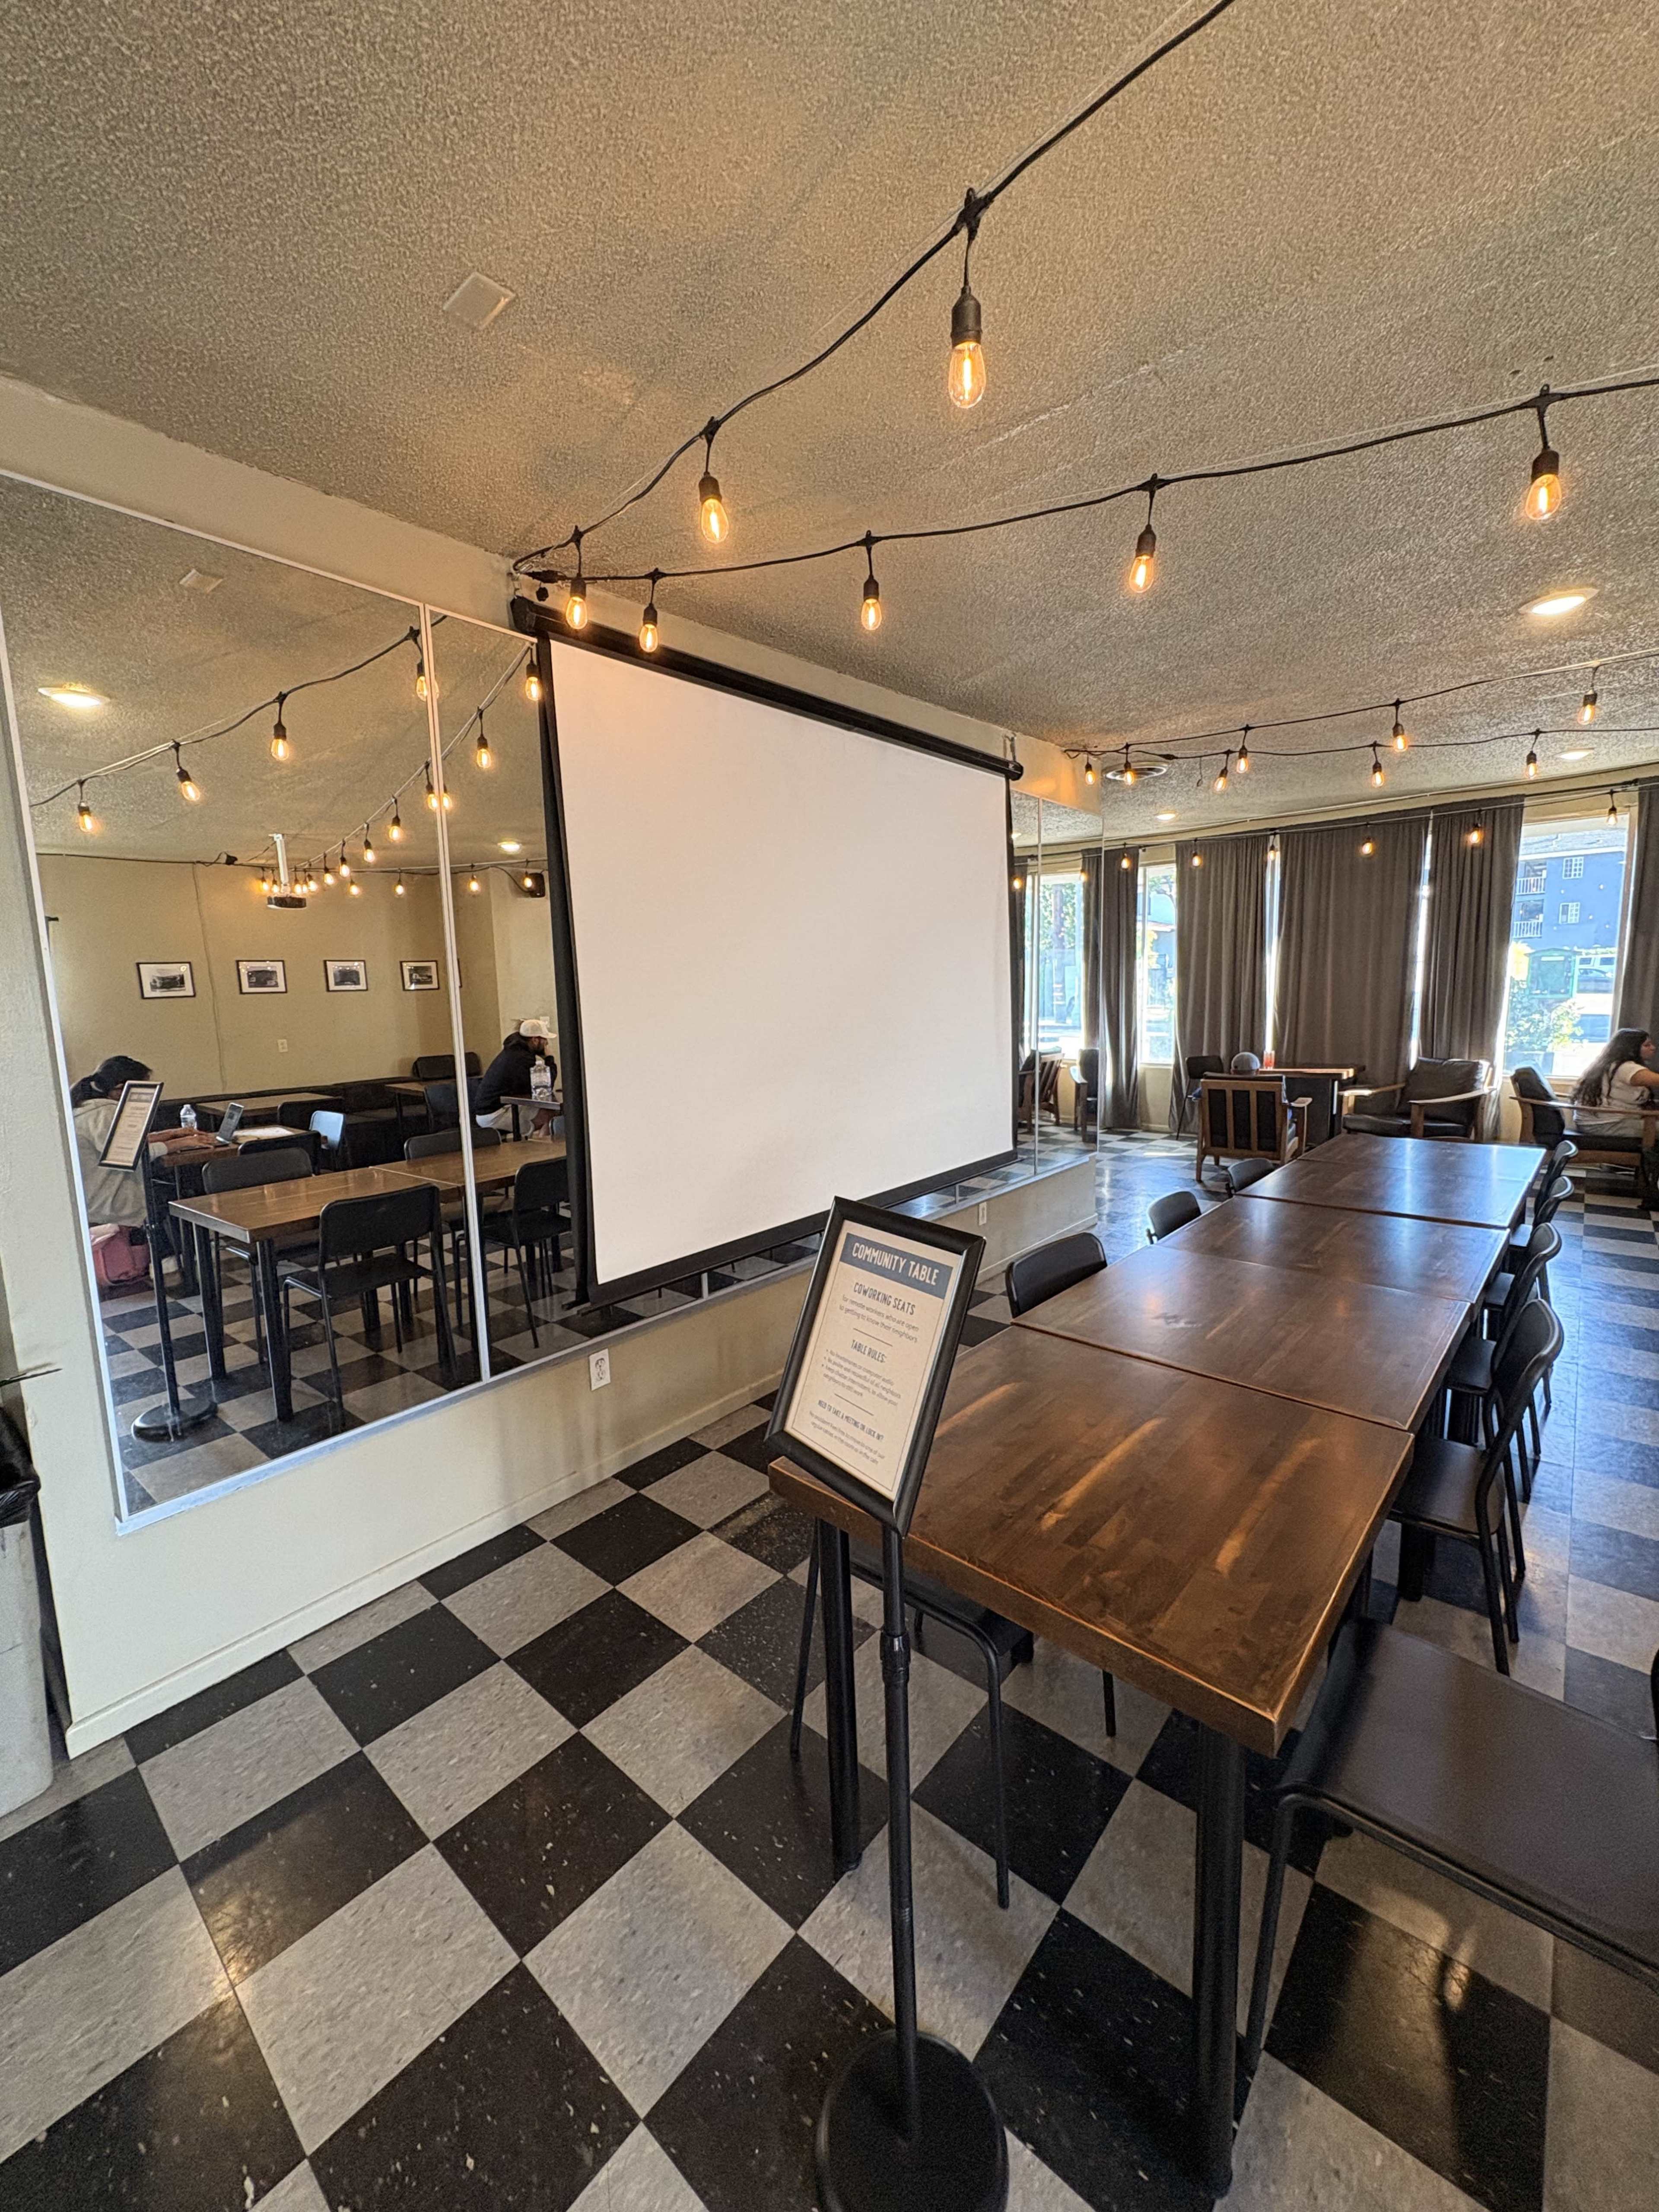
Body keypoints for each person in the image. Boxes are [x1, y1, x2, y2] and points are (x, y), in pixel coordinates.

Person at [70, 1055, 195, 1227]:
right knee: (179, 1199)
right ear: (122, 1089)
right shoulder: (105, 1113)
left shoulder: (86, 1107)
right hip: (108, 1204)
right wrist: (180, 1144)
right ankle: (178, 1251)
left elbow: (122, 1143)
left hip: (93, 1199)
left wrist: (172, 1134)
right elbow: (129, 1155)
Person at [1572, 1026, 1659, 1198]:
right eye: (1647, 1045)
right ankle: (1653, 1188)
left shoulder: (1613, 1064)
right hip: (1606, 1125)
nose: (1653, 1048)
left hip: (1599, 1122)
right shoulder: (1627, 1068)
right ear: (1633, 1048)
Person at [475, 1020, 557, 1133]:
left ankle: (540, 1147)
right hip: (493, 1115)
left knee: (549, 1112)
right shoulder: (522, 1059)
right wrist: (549, 1059)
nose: (547, 1044)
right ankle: (541, 1150)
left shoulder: (513, 1052)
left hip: (491, 1109)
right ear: (535, 1040)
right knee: (549, 1117)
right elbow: (546, 1086)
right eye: (545, 1040)